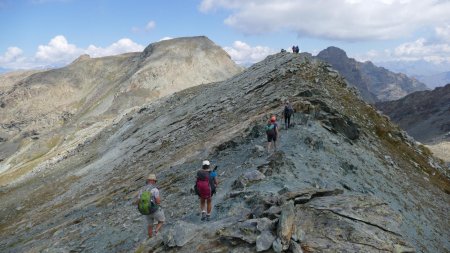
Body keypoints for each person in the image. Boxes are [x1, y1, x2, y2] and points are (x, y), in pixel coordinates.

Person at [136, 173, 165, 238]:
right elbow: (158, 201)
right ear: (153, 181)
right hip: (154, 210)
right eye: (154, 181)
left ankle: (150, 237)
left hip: (146, 211)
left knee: (150, 225)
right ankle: (156, 231)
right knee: (161, 221)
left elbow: (138, 201)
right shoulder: (155, 189)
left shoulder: (142, 190)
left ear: (148, 180)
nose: (155, 182)